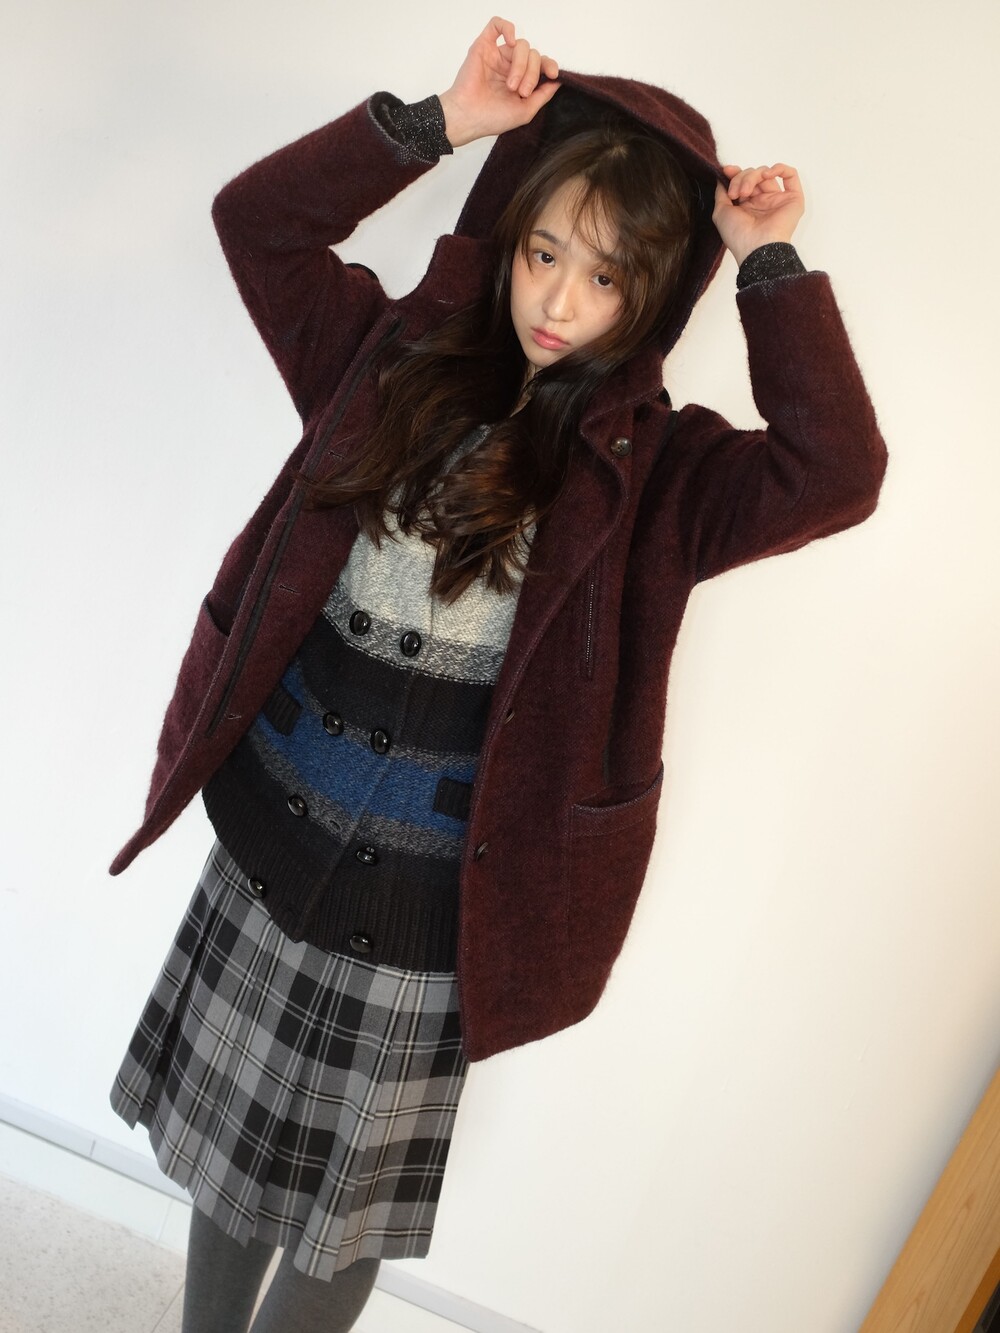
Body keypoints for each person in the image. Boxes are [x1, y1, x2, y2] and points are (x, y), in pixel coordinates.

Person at [108, 17, 886, 1332]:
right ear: (509, 233)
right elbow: (259, 225)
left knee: (344, 1216)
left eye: (606, 278)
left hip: (431, 914)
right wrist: (444, 122)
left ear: (656, 297)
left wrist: (768, 262)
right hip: (272, 844)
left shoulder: (665, 479)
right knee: (229, 1157)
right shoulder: (386, 362)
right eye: (543, 253)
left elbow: (837, 473)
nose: (558, 304)